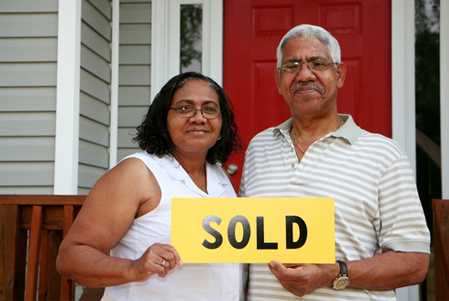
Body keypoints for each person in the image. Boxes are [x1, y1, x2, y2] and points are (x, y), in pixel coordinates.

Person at [240, 24, 430, 300]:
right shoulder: (259, 147)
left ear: (339, 74)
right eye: (292, 65)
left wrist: (333, 273)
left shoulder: (384, 153)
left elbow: (414, 262)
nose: (304, 74)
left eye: (317, 63)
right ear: (279, 79)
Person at [57, 72, 242, 301]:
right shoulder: (137, 173)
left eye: (210, 109)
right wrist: (134, 268)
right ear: (163, 119)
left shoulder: (219, 176)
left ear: (222, 123)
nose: (198, 117)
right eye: (184, 108)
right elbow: (70, 257)